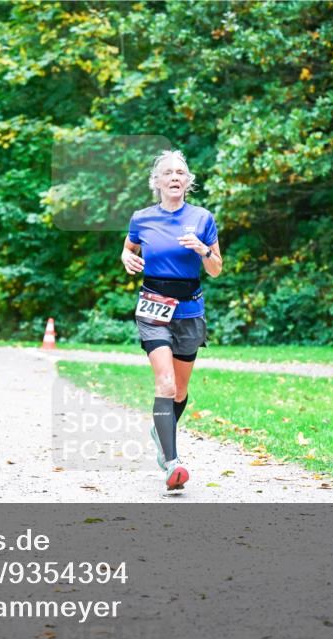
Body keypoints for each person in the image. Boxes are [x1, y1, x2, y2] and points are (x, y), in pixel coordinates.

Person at [120, 150, 222, 491]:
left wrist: (202, 250)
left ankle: (160, 431)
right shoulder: (142, 218)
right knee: (164, 384)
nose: (175, 177)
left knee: (179, 391)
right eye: (168, 172)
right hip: (153, 308)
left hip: (190, 311)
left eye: (181, 172)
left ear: (187, 181)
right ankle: (172, 462)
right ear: (158, 181)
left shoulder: (203, 218)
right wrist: (126, 258)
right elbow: (129, 248)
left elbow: (216, 268)